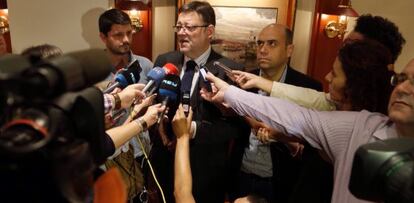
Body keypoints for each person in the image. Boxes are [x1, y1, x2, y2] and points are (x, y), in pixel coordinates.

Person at [201, 55, 414, 203]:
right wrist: (230, 92)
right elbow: (294, 116)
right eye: (402, 80)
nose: (403, 88)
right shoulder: (361, 126)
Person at [150, 1, 250, 202]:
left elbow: (236, 128)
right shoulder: (164, 61)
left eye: (190, 27)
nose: (182, 33)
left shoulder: (229, 71)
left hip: (205, 174)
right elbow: (154, 102)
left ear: (209, 31)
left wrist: (191, 130)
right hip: (163, 168)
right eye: (179, 27)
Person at [227, 23, 323, 203]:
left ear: (289, 50)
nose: (263, 50)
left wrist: (285, 139)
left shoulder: (309, 88)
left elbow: (314, 145)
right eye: (260, 43)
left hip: (283, 182)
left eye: (272, 44)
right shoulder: (241, 81)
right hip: (242, 176)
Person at [232, 14, 405, 113]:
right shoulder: (336, 102)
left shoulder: (392, 114)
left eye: (351, 47)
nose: (327, 76)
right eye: (260, 43)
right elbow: (315, 100)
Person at [98, 8, 154, 201]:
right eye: (118, 35)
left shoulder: (146, 64)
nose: (126, 40)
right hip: (108, 153)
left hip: (141, 150)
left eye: (129, 33)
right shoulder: (92, 72)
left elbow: (154, 100)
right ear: (103, 37)